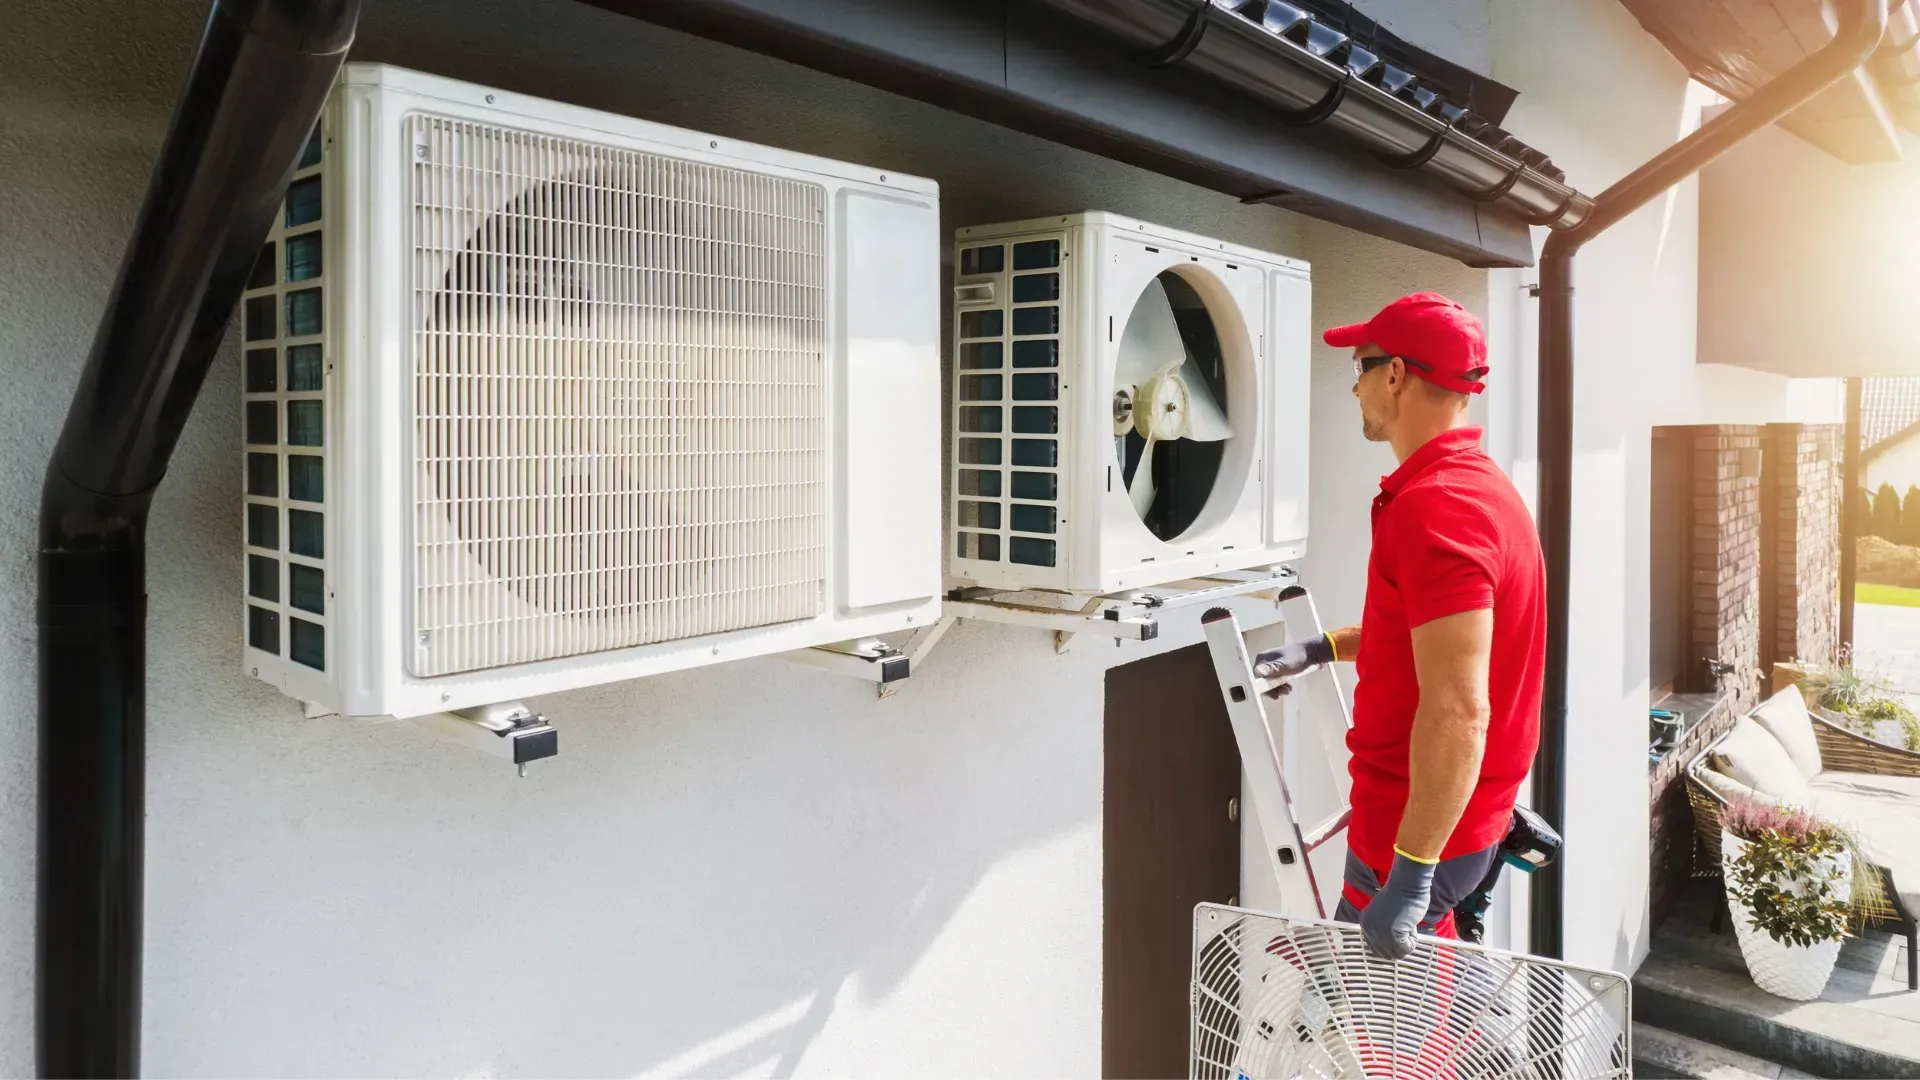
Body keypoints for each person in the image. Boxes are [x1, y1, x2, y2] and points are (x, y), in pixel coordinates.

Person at [1255, 292, 1546, 960]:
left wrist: (1412, 875)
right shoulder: (1471, 489)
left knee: (1392, 1049)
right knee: (1368, 1012)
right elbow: (1431, 640)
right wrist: (1322, 647)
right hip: (1442, 825)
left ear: (1395, 375)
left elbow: (1458, 710)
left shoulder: (1439, 509)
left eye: (1359, 366)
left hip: (1414, 836)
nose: (1353, 385)